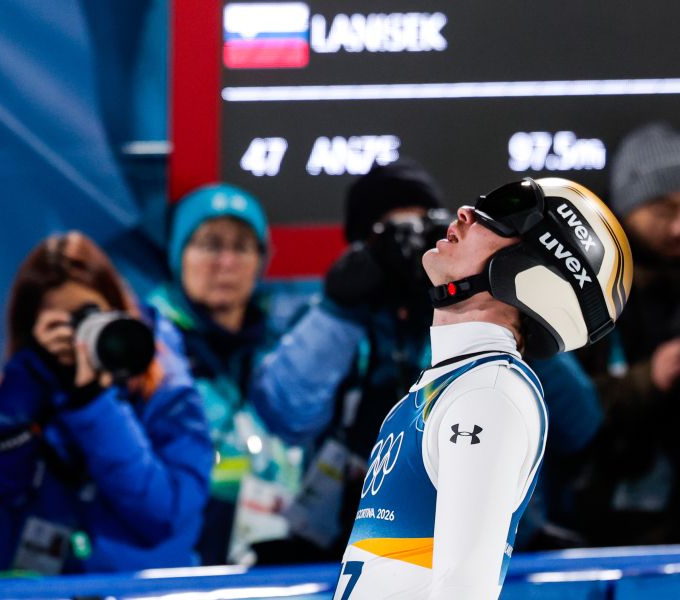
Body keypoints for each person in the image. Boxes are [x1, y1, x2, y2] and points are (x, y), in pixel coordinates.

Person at [251, 162, 606, 564]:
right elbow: (284, 416)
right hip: (353, 548)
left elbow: (583, 421)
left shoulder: (492, 306)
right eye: (387, 235)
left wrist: (497, 317)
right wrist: (339, 309)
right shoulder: (337, 316)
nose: (408, 247)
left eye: (421, 227)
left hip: (494, 550)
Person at [332, 177, 632, 599]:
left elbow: (463, 592)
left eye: (501, 219)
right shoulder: (448, 387)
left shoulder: (487, 394)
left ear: (535, 273)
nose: (465, 214)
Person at [0, 231, 213, 576]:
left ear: (119, 312)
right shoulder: (20, 395)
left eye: (88, 317)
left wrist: (95, 405)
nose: (77, 338)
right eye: (59, 323)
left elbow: (162, 516)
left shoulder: (172, 399)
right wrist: (23, 389)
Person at [576, 122, 680, 545]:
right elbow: (561, 416)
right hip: (617, 530)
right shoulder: (585, 301)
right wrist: (647, 380)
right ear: (626, 211)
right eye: (664, 210)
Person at [148, 183, 304, 565]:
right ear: (178, 255)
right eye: (210, 244)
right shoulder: (146, 346)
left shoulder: (285, 345)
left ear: (260, 260)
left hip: (275, 555)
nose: (226, 262)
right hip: (172, 559)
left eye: (241, 247)